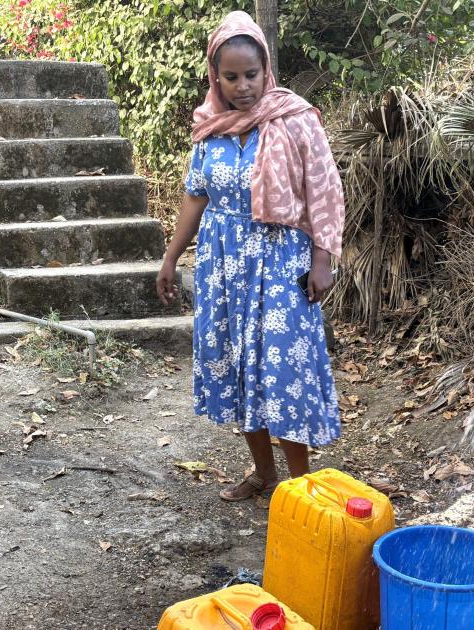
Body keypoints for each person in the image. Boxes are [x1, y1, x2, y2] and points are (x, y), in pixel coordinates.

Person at [156, 11, 345, 502]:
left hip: (280, 262)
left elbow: (325, 193)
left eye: (252, 75)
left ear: (267, 71)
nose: (243, 86)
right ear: (215, 76)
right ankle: (264, 474)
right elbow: (196, 196)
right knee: (238, 369)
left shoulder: (294, 120)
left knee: (283, 371)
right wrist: (171, 257)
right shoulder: (209, 129)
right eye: (232, 76)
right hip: (222, 266)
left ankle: (301, 488)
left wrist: (323, 259)